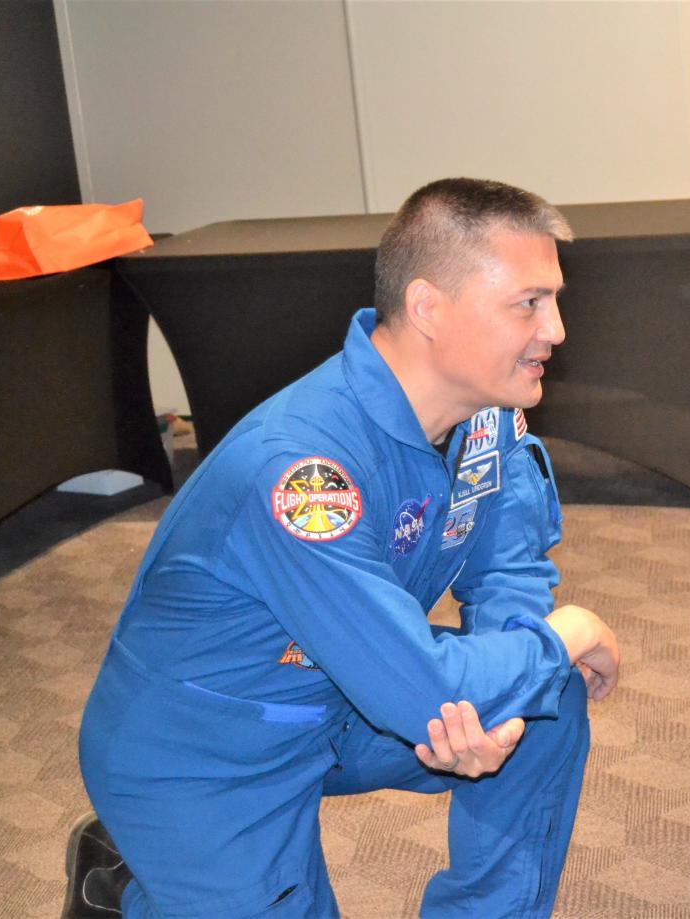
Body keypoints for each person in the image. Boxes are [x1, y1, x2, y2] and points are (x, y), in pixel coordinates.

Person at [63, 177, 621, 919]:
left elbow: (509, 575)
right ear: (427, 307)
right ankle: (122, 888)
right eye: (528, 302)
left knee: (547, 703)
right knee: (547, 660)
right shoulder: (302, 473)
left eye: (554, 298)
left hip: (343, 699)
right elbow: (422, 685)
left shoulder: (488, 420)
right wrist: (568, 632)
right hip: (204, 755)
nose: (555, 329)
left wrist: (494, 709)